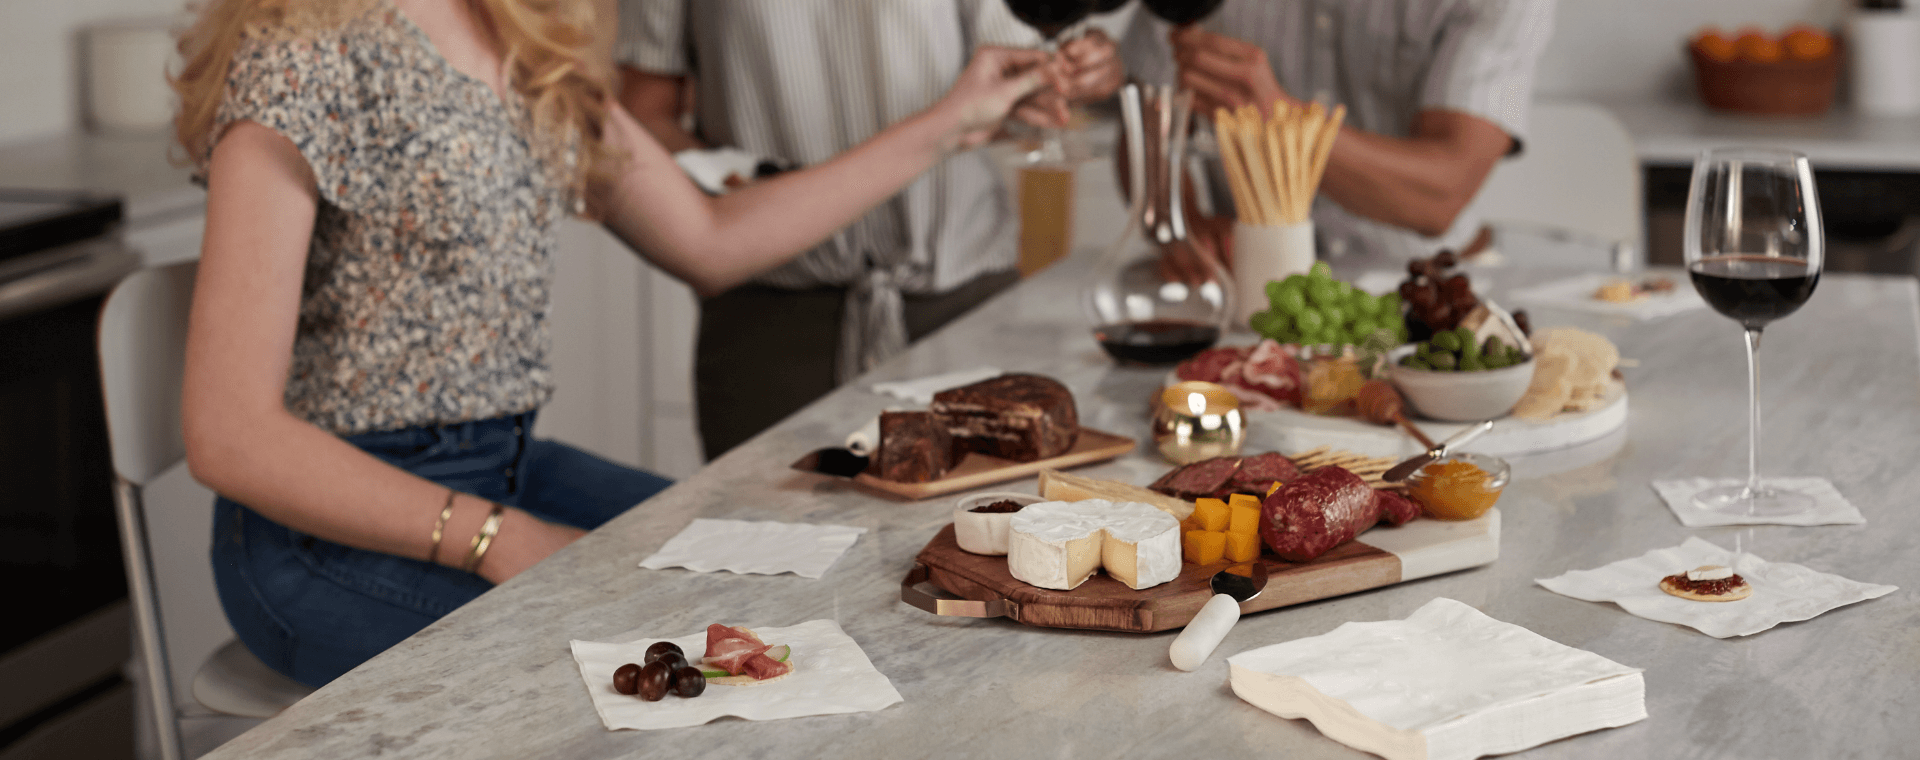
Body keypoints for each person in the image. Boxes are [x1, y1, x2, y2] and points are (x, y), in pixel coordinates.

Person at [173, 0, 1054, 687]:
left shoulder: (516, 36)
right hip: (320, 536)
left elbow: (713, 241)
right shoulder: (298, 54)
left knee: (796, 576)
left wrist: (952, 119)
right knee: (635, 681)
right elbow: (230, 433)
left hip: (506, 464)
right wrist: (500, 539)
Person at [616, 0, 1126, 460]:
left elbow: (1011, 83)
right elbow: (644, 114)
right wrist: (738, 185)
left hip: (959, 304)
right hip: (772, 324)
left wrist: (1080, 73)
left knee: (981, 544)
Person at [1122, 0, 1555, 264]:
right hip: (1241, 284)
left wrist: (1284, 124)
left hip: (1421, 281)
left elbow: (1441, 194)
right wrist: (1179, 226)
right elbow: (1141, 122)